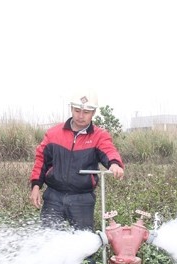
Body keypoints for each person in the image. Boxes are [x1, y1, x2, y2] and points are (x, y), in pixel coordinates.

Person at [29, 91, 124, 232]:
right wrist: (36, 186)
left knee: (84, 243)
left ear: (93, 112)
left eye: (86, 112)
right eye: (77, 110)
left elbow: (109, 150)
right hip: (54, 196)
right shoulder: (53, 133)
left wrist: (114, 163)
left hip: (82, 199)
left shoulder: (99, 136)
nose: (81, 116)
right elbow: (41, 160)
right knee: (47, 240)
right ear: (71, 109)